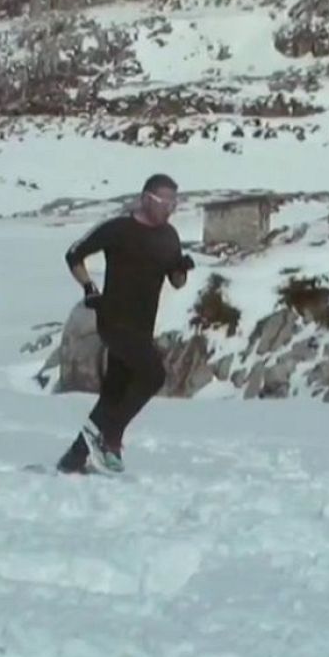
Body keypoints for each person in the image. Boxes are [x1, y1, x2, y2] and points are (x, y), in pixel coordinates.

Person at [56, 173, 194, 474]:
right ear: (146, 198)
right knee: (153, 375)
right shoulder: (118, 229)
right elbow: (74, 255)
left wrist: (182, 268)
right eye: (164, 201)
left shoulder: (169, 236)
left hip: (143, 325)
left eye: (174, 202)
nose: (170, 208)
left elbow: (177, 281)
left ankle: (73, 459)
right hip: (114, 320)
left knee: (115, 393)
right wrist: (89, 288)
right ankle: (107, 437)